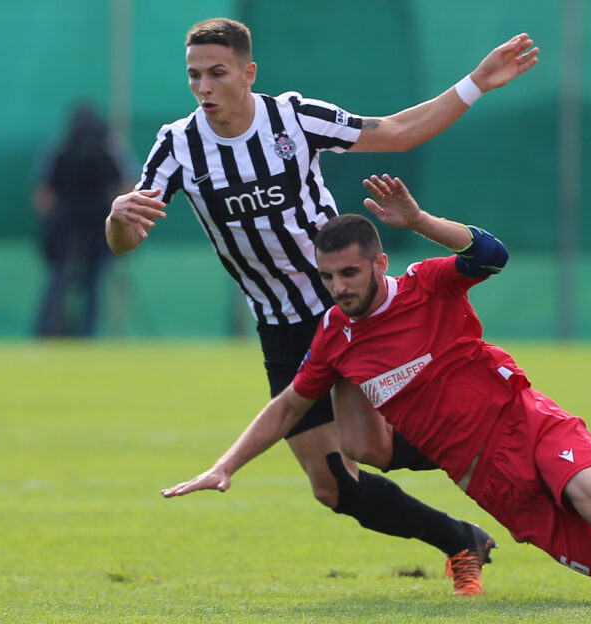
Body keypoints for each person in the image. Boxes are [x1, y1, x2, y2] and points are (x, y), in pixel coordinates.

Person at [163, 174, 591, 609]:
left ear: (378, 263)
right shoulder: (335, 336)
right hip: (487, 482)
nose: (338, 287)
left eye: (349, 273)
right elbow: (288, 410)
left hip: (526, 424)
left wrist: (418, 218)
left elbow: (493, 254)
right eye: (329, 276)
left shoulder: (425, 282)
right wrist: (224, 467)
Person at [107, 18, 539, 595]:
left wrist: (477, 82)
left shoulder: (291, 118)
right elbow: (129, 239)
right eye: (194, 76)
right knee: (333, 488)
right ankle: (461, 537)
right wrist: (117, 220)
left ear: (247, 72)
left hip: (344, 309)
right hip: (280, 328)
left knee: (375, 447)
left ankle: (521, 451)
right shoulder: (178, 144)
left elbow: (399, 131)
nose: (204, 87)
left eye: (217, 73)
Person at [33, 103, 125, 337]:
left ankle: (47, 333)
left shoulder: (60, 150)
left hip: (76, 226)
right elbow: (126, 187)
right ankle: (84, 334)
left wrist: (52, 220)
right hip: (94, 227)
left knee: (61, 281)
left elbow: (43, 195)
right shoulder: (108, 150)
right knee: (89, 284)